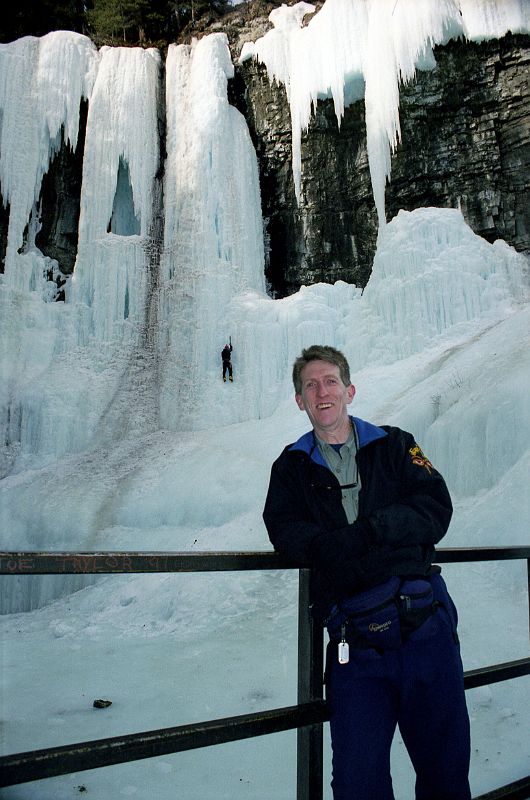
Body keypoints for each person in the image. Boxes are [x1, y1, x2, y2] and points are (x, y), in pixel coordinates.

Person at [263, 345, 471, 800]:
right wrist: (356, 547)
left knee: (445, 771)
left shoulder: (394, 444)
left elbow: (435, 508)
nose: (322, 392)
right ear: (300, 400)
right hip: (353, 644)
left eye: (330, 381)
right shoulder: (291, 467)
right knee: (359, 783)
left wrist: (365, 535)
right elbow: (283, 530)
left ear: (350, 390)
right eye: (310, 385)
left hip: (425, 628)